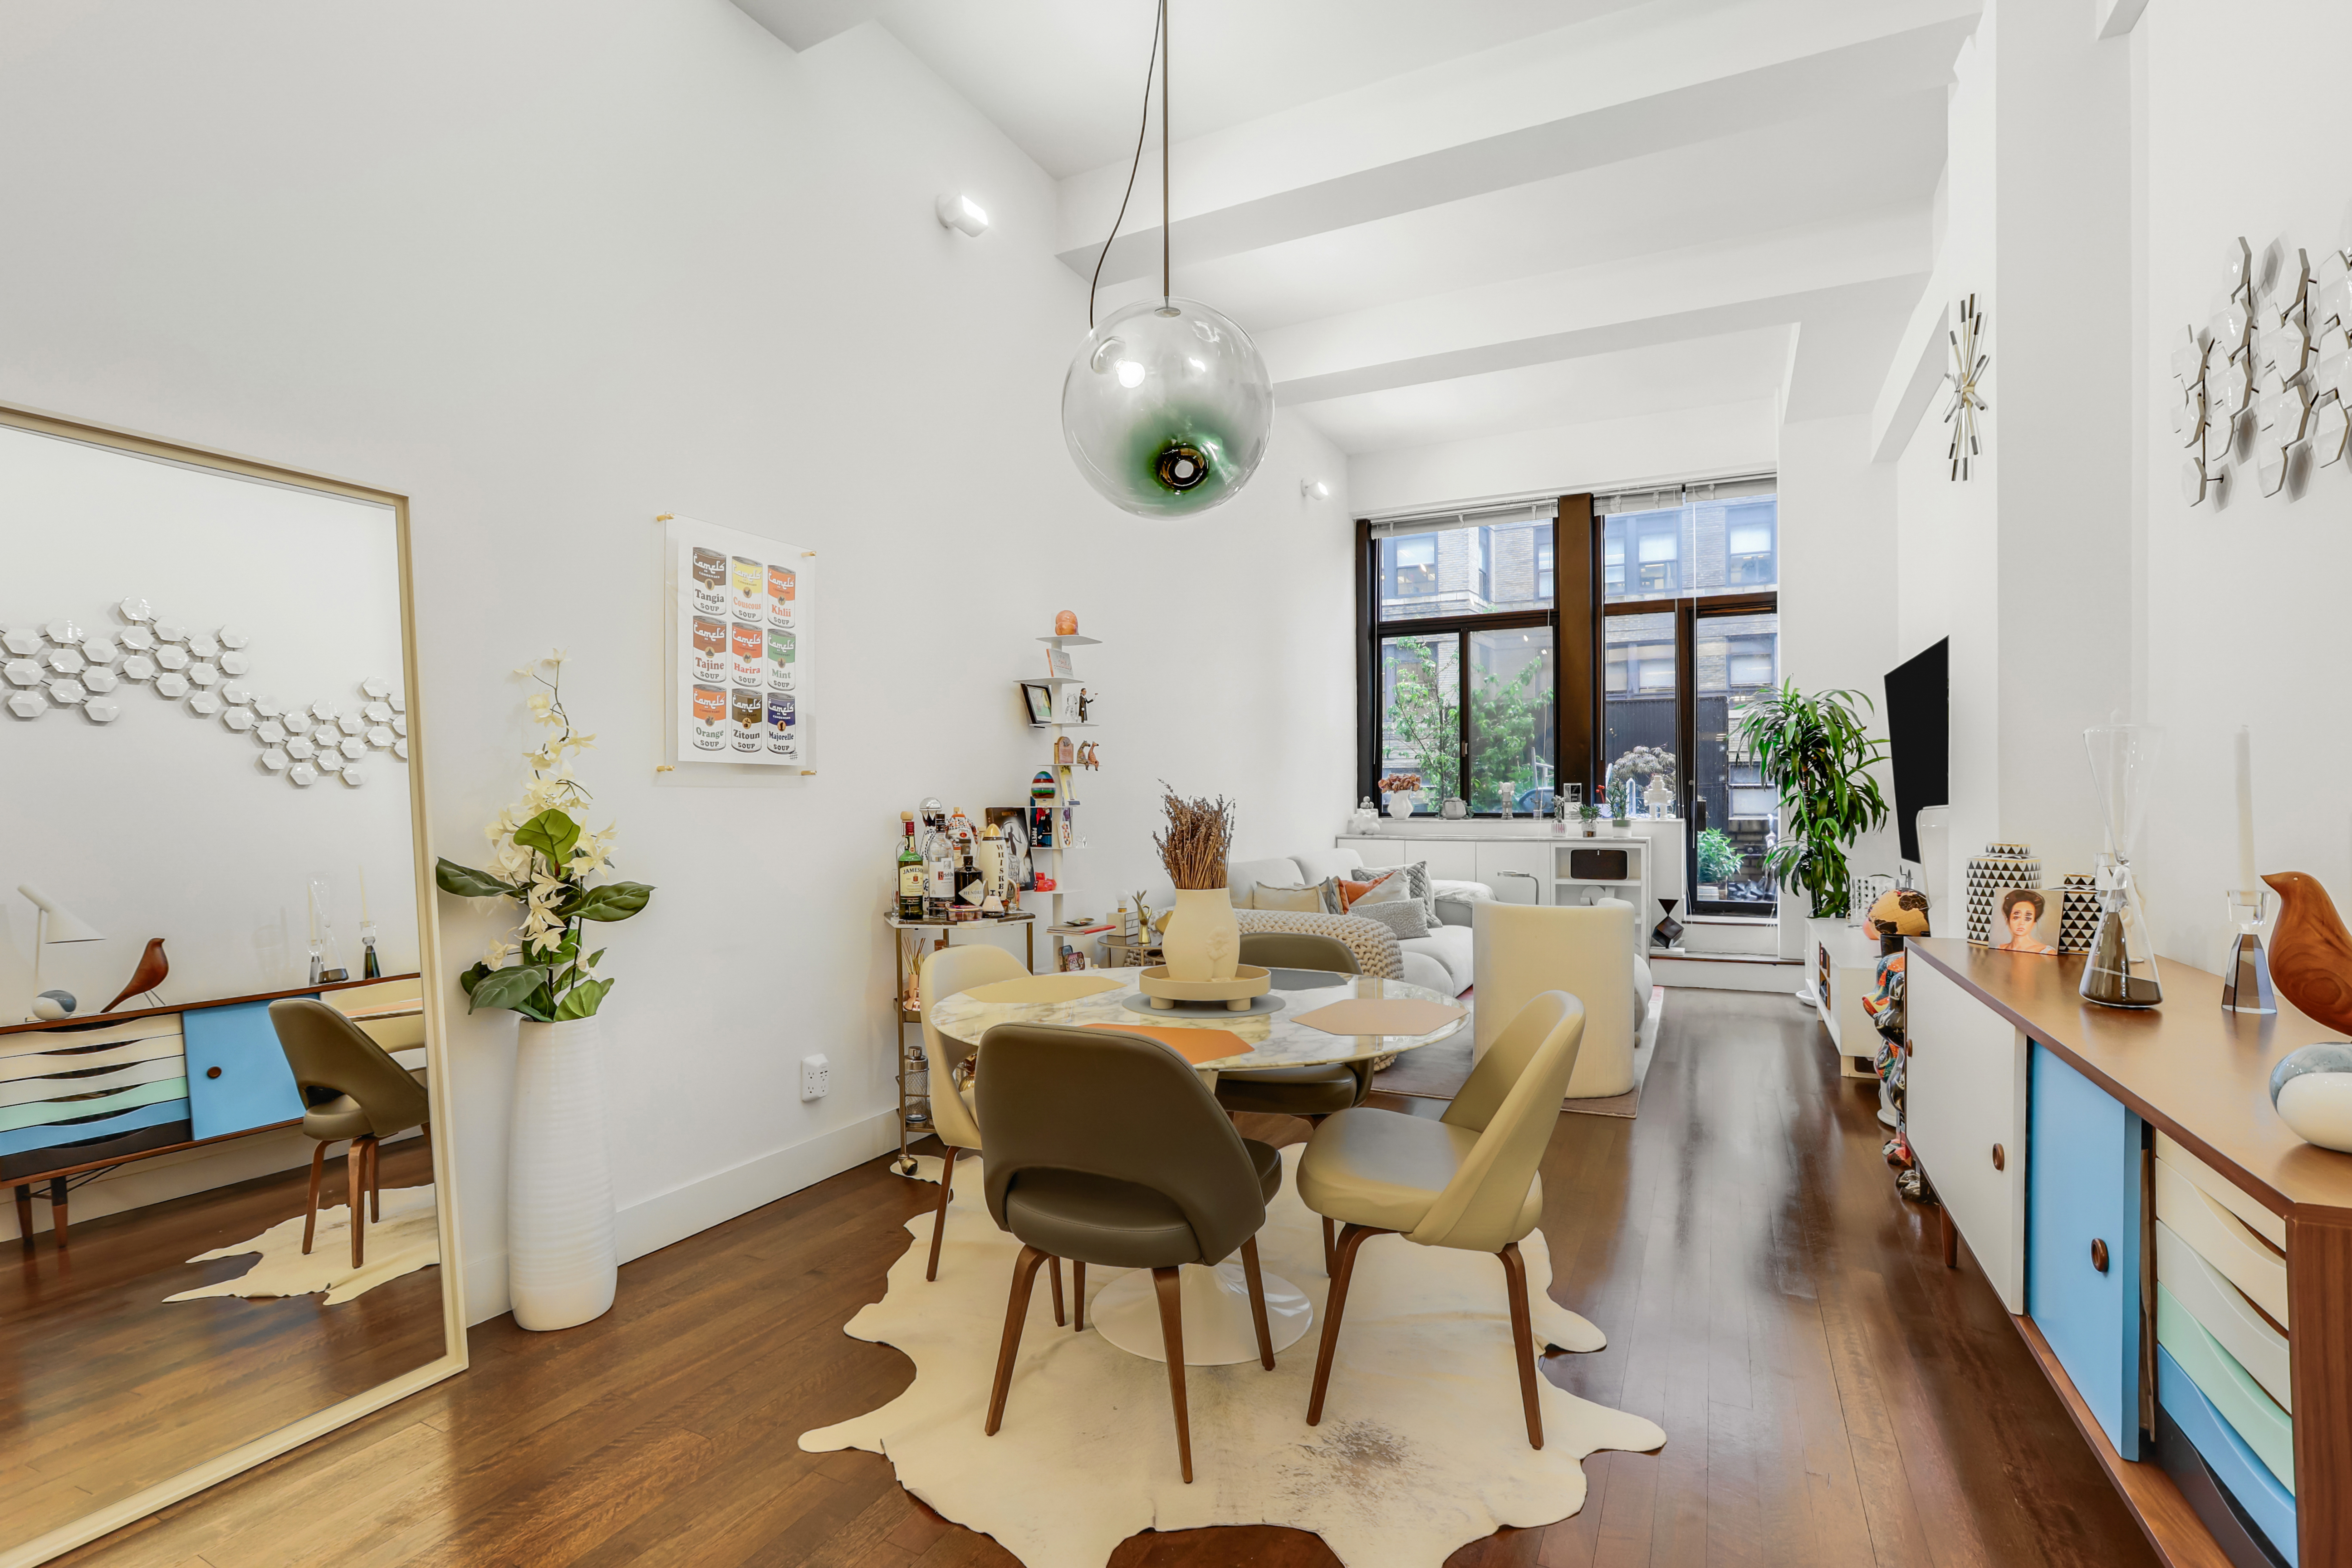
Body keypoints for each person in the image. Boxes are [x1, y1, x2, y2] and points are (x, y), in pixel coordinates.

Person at [1994, 887, 2056, 954]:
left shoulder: (2046, 952)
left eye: (2027, 918)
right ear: (2008, 920)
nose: (2021, 923)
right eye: (2016, 917)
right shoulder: (2000, 948)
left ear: (2034, 923)